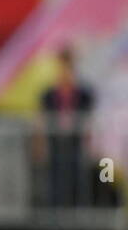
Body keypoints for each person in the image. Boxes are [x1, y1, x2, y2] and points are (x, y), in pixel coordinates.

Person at [39, 46, 95, 216]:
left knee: (78, 182)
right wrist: (40, 144)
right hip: (56, 144)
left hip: (75, 145)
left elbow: (89, 122)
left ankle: (77, 222)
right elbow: (42, 120)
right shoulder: (49, 95)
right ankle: (56, 223)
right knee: (55, 183)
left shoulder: (84, 94)